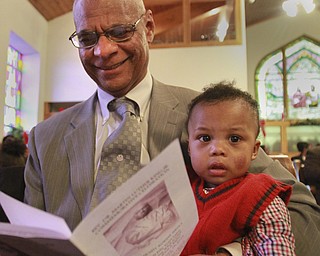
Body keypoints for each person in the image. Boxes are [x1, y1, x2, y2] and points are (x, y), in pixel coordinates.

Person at [23, 0, 320, 255]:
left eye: (119, 32)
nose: (103, 50)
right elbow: (29, 241)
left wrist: (229, 252)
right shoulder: (45, 138)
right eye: (88, 38)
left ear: (148, 27)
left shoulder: (208, 118)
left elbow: (303, 213)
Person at [181, 82, 295, 255]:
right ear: (189, 147)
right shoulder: (178, 186)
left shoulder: (262, 197)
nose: (217, 149)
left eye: (234, 139)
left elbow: (277, 249)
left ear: (255, 150)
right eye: (204, 138)